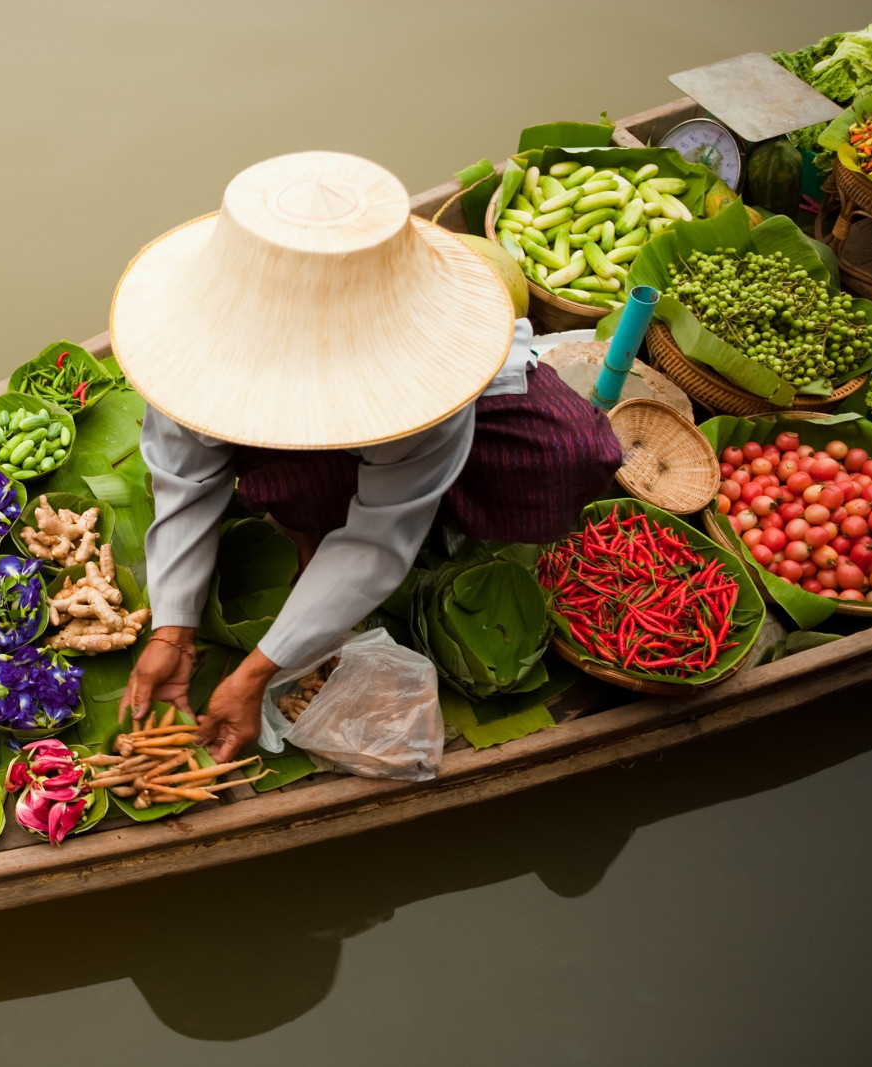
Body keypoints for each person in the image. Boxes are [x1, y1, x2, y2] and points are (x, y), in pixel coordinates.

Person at [109, 151, 621, 761]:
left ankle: (427, 510)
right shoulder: (196, 350)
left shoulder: (422, 369)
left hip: (424, 392)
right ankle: (314, 535)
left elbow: (380, 536)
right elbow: (185, 482)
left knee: (569, 454)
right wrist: (175, 628)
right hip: (316, 433)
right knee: (293, 484)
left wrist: (253, 674)